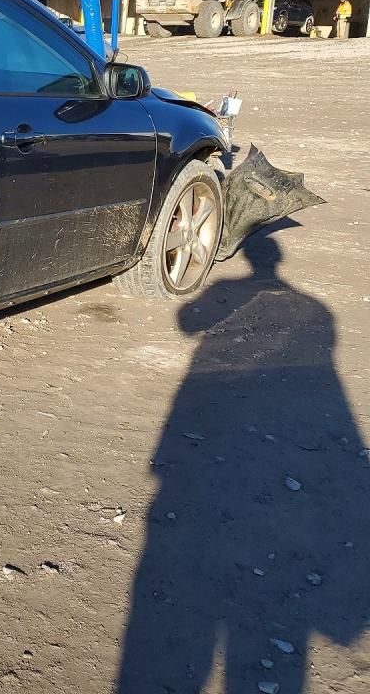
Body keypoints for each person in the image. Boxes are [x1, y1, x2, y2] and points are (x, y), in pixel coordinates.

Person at [117, 228, 370, 692]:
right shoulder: (317, 310)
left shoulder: (230, 291)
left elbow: (188, 322)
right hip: (275, 428)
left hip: (202, 427)